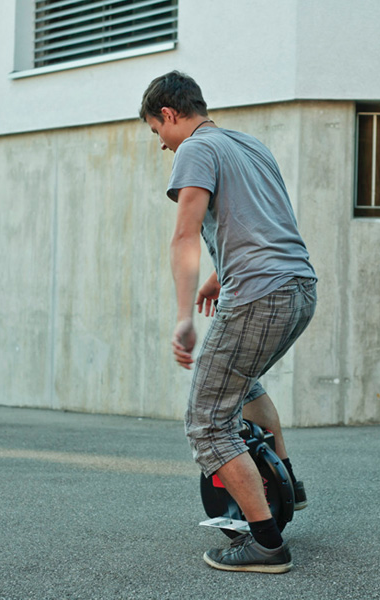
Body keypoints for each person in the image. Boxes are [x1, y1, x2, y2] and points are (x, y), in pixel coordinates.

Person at [140, 71, 317, 574]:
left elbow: (184, 236)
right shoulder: (250, 145)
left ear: (169, 114)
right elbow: (267, 222)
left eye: (157, 131)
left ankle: (266, 545)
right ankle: (288, 483)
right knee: (243, 382)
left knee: (207, 421)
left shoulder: (195, 149)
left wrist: (183, 319)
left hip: (260, 297)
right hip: (299, 290)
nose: (162, 144)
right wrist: (221, 276)